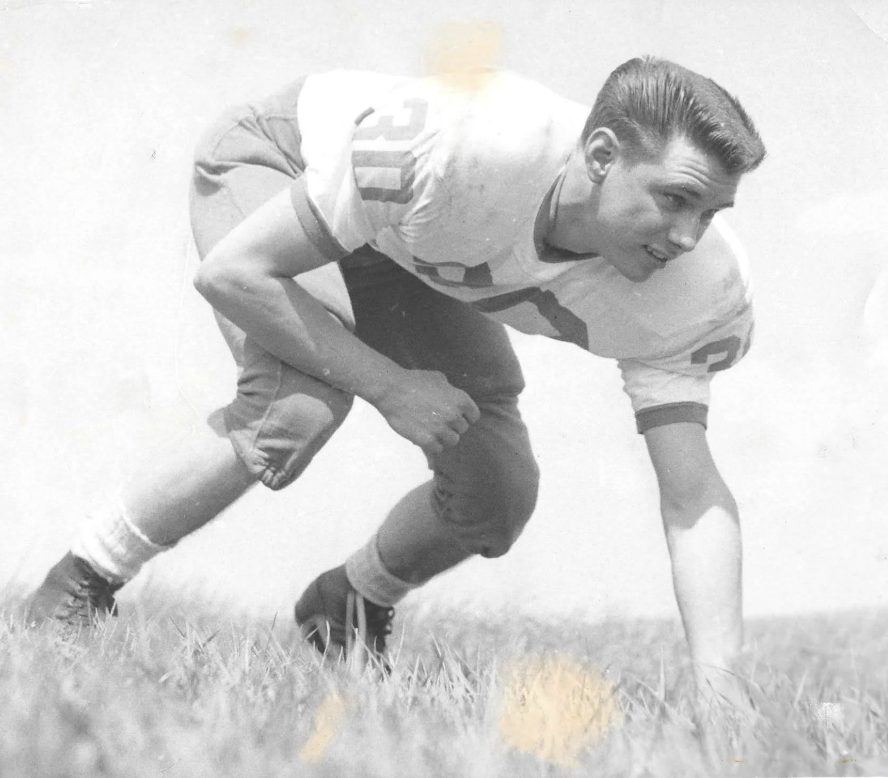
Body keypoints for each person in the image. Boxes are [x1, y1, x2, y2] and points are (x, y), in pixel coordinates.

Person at [26, 56, 765, 702]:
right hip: (288, 165)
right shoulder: (467, 143)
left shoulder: (697, 290)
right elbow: (233, 274)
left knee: (496, 490)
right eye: (674, 198)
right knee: (296, 406)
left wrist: (723, 693)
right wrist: (389, 385)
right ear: (601, 154)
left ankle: (347, 605)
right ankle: (76, 585)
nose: (686, 237)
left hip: (403, 242)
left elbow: (692, 492)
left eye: (710, 211)